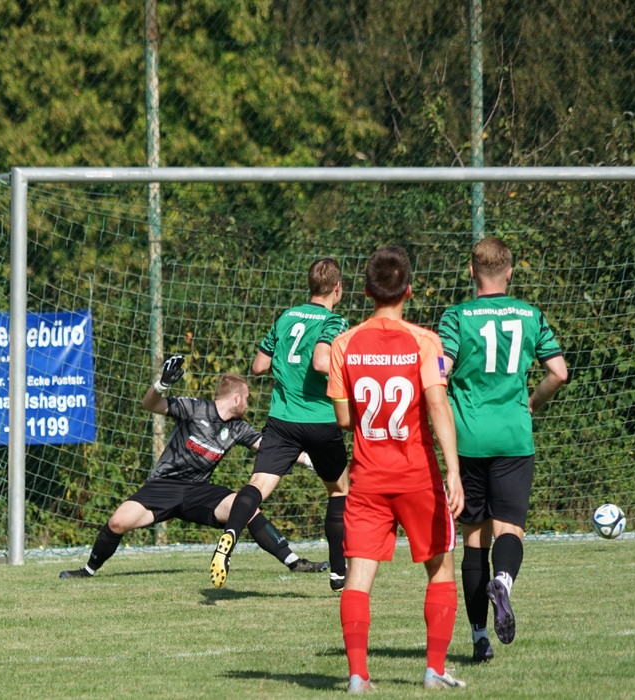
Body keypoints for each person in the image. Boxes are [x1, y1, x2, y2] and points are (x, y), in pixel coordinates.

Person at [327, 245, 466, 692]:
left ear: (367, 292)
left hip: (367, 478)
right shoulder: (425, 341)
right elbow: (438, 405)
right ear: (408, 290)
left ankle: (357, 675)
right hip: (417, 476)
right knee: (441, 568)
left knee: (359, 576)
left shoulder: (344, 343)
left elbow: (344, 419)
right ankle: (434, 669)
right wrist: (454, 471)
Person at [59, 357, 328, 580]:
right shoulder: (195, 408)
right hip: (163, 485)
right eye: (247, 398)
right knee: (117, 522)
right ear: (236, 398)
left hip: (199, 491)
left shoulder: (238, 428)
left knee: (246, 507)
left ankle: (295, 562)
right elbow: (150, 404)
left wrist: (311, 461)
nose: (249, 403)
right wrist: (161, 384)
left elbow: (272, 449)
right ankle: (87, 570)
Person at [437, 237, 567, 662]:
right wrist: (532, 403)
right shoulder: (530, 315)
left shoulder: (456, 317)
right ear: (509, 273)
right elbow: (559, 373)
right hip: (514, 437)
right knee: (509, 530)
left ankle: (479, 639)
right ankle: (505, 582)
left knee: (474, 542)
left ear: (471, 272)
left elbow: (441, 372)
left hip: (469, 440)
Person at [211, 257, 350, 591]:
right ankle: (338, 572)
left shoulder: (287, 317)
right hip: (319, 419)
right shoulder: (334, 321)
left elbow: (259, 366)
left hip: (282, 419)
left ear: (310, 285)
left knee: (257, 485)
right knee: (339, 490)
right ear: (337, 288)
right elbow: (321, 362)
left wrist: (288, 369)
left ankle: (230, 534)